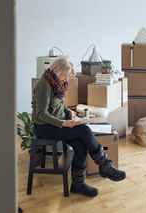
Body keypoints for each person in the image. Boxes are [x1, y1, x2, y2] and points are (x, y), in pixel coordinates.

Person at [32, 56, 126, 197]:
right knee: (84, 130)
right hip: (45, 127)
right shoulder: (44, 84)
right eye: (65, 75)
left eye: (68, 76)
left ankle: (78, 185)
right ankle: (105, 166)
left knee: (80, 146)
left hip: (57, 122)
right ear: (57, 70)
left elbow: (59, 103)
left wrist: (68, 112)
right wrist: (63, 123)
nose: (66, 78)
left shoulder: (58, 82)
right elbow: (41, 114)